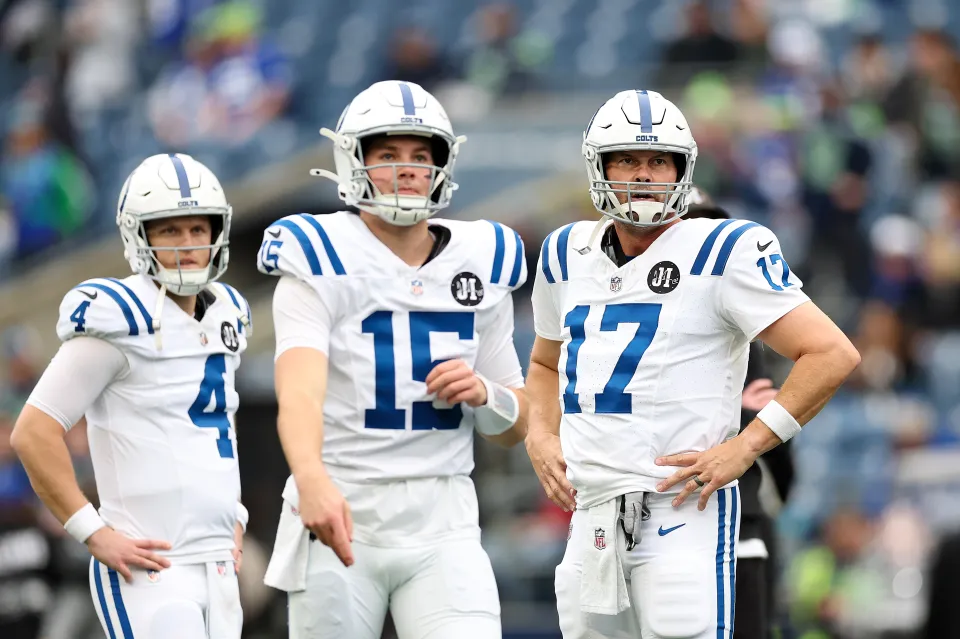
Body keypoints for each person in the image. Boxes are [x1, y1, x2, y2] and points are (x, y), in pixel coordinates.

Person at [524, 89, 860, 639]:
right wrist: (540, 433)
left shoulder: (722, 249)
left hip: (682, 512)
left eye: (659, 161)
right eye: (628, 158)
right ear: (599, 166)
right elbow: (543, 363)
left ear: (682, 170)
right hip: (592, 516)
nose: (644, 174)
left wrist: (747, 446)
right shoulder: (566, 252)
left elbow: (831, 353)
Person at [260, 80, 529, 639]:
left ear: (442, 167)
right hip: (343, 502)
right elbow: (300, 392)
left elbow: (515, 423)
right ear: (353, 162)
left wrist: (488, 395)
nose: (407, 169)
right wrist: (310, 477)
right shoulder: (319, 255)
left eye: (420, 156)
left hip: (445, 515)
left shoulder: (484, 257)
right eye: (388, 155)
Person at [10, 153, 251, 639]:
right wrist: (92, 533)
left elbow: (214, 421)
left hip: (218, 563)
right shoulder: (118, 318)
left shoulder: (228, 311)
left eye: (197, 230)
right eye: (169, 231)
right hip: (152, 569)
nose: (187, 245)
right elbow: (33, 433)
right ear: (139, 237)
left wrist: (235, 514)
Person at [685, 187, 796, 639]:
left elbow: (783, 474)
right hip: (643, 520)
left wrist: (756, 424)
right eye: (692, 226)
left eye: (711, 226)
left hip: (737, 527)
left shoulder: (742, 330)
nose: (704, 237)